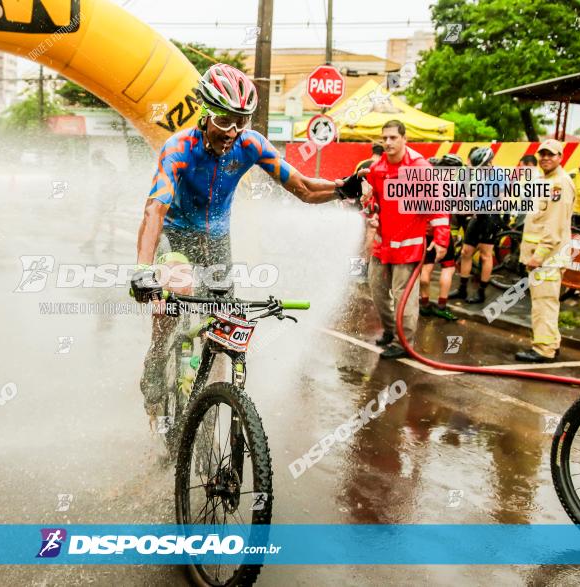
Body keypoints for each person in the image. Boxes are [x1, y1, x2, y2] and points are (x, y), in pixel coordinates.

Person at [129, 63, 353, 427]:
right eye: (225, 120)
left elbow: (305, 188)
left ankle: (206, 394)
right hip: (177, 233)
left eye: (242, 120)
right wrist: (142, 270)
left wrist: (343, 187)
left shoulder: (251, 145)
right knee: (177, 289)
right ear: (206, 112)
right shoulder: (180, 148)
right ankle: (156, 359)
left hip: (217, 240)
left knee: (224, 320)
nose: (233, 131)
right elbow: (155, 209)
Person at [361, 120, 450, 359]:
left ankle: (404, 342)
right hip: (383, 244)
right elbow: (373, 200)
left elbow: (437, 204)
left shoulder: (419, 168)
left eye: (393, 138)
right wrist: (372, 209)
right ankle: (391, 331)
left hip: (409, 245)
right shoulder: (378, 168)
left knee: (403, 297)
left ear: (404, 139)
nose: (388, 142)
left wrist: (441, 239)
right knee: (378, 291)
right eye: (385, 138)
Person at [514, 139, 575, 363]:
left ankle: (543, 350)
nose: (545, 158)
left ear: (560, 157)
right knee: (545, 301)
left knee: (544, 304)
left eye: (551, 154)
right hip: (541, 257)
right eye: (542, 154)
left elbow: (554, 225)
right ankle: (551, 343)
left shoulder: (560, 184)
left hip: (547, 258)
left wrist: (539, 255)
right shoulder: (545, 180)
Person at [448, 147, 504, 304]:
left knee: (486, 255)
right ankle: (462, 289)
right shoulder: (477, 173)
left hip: (490, 217)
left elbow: (501, 198)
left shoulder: (499, 174)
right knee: (466, 252)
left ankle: (481, 292)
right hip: (475, 216)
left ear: (489, 162)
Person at [420, 153, 464, 321]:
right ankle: (441, 307)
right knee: (448, 268)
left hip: (424, 233)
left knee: (426, 270)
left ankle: (424, 304)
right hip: (443, 233)